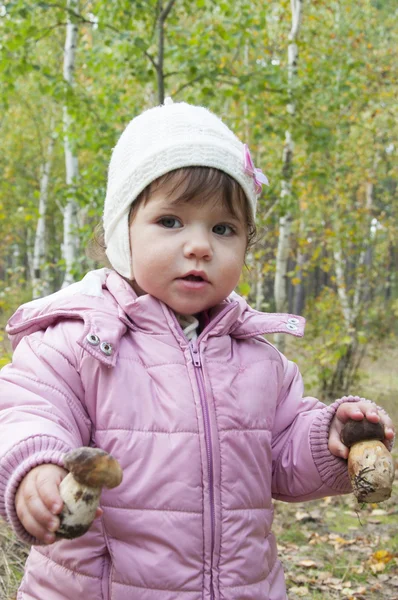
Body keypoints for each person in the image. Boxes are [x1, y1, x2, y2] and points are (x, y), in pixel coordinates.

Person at [0, 98, 394, 600]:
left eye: (223, 228)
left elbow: (280, 456)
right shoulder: (80, 340)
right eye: (170, 221)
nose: (200, 245)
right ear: (123, 233)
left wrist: (330, 439)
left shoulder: (257, 358)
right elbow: (27, 409)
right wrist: (35, 466)